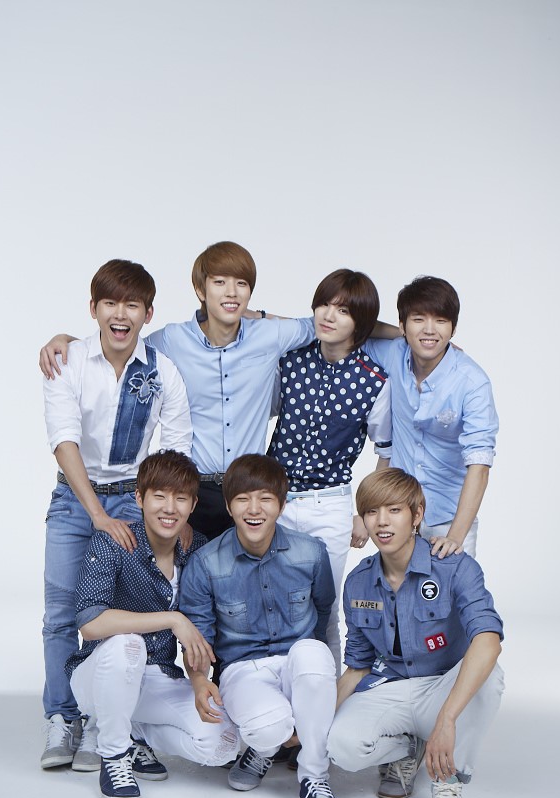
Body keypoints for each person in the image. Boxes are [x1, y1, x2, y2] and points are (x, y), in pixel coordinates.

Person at [39, 242, 401, 542]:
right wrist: (69, 342)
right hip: (192, 490)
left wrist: (407, 336)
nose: (231, 292)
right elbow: (121, 341)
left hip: (247, 492)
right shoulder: (172, 340)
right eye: (220, 282)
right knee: (186, 589)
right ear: (201, 290)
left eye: (241, 283)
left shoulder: (271, 336)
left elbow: (338, 322)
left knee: (244, 594)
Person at [41, 259, 192, 770]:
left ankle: (101, 720)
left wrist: (174, 512)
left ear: (148, 313)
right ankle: (62, 716)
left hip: (133, 496)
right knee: (61, 613)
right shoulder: (66, 361)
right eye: (110, 303)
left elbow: (176, 449)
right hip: (73, 497)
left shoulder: (163, 371)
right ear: (94, 309)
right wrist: (97, 514)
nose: (120, 314)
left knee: (115, 612)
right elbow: (64, 440)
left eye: (132, 304)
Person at [327, 468, 504, 798]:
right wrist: (314, 723)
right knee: (339, 746)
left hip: (442, 688)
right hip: (391, 686)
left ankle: (448, 780)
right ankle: (409, 749)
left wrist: (447, 718)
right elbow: (357, 666)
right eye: (372, 511)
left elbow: (488, 639)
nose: (382, 521)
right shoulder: (359, 581)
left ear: (417, 515)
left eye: (394, 510)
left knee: (490, 679)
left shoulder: (453, 567)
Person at [178, 454, 346, 798]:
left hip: (298, 663)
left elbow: (323, 617)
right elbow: (199, 637)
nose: (254, 509)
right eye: (243, 499)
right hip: (243, 670)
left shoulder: (311, 552)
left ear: (282, 505)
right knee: (269, 727)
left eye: (265, 499)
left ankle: (314, 777)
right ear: (228, 506)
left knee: (314, 653)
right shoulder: (206, 563)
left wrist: (318, 690)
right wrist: (199, 680)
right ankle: (262, 748)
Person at [66, 450, 239, 798]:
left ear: (193, 505)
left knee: (223, 744)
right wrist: (173, 619)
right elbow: (91, 622)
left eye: (180, 499)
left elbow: (200, 629)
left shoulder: (197, 549)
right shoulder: (114, 541)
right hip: (100, 674)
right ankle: (114, 755)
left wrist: (198, 681)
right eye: (159, 496)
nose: (169, 508)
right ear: (139, 498)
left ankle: (136, 734)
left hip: (157, 676)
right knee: (127, 644)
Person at [268, 268, 391, 669]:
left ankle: (327, 697)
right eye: (324, 304)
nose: (328, 315)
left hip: (330, 505)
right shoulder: (290, 362)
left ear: (361, 323)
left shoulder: (374, 381)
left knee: (325, 608)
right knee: (275, 603)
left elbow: (385, 451)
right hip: (275, 502)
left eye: (343, 310)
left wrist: (363, 513)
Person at [365, 276, 498, 558]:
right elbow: (353, 326)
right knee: (395, 587)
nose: (429, 329)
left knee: (452, 587)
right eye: (418, 319)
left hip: (449, 518)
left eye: (440, 321)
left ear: (453, 328)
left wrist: (455, 538)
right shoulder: (393, 354)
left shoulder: (472, 382)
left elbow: (480, 465)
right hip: (398, 515)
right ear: (402, 325)